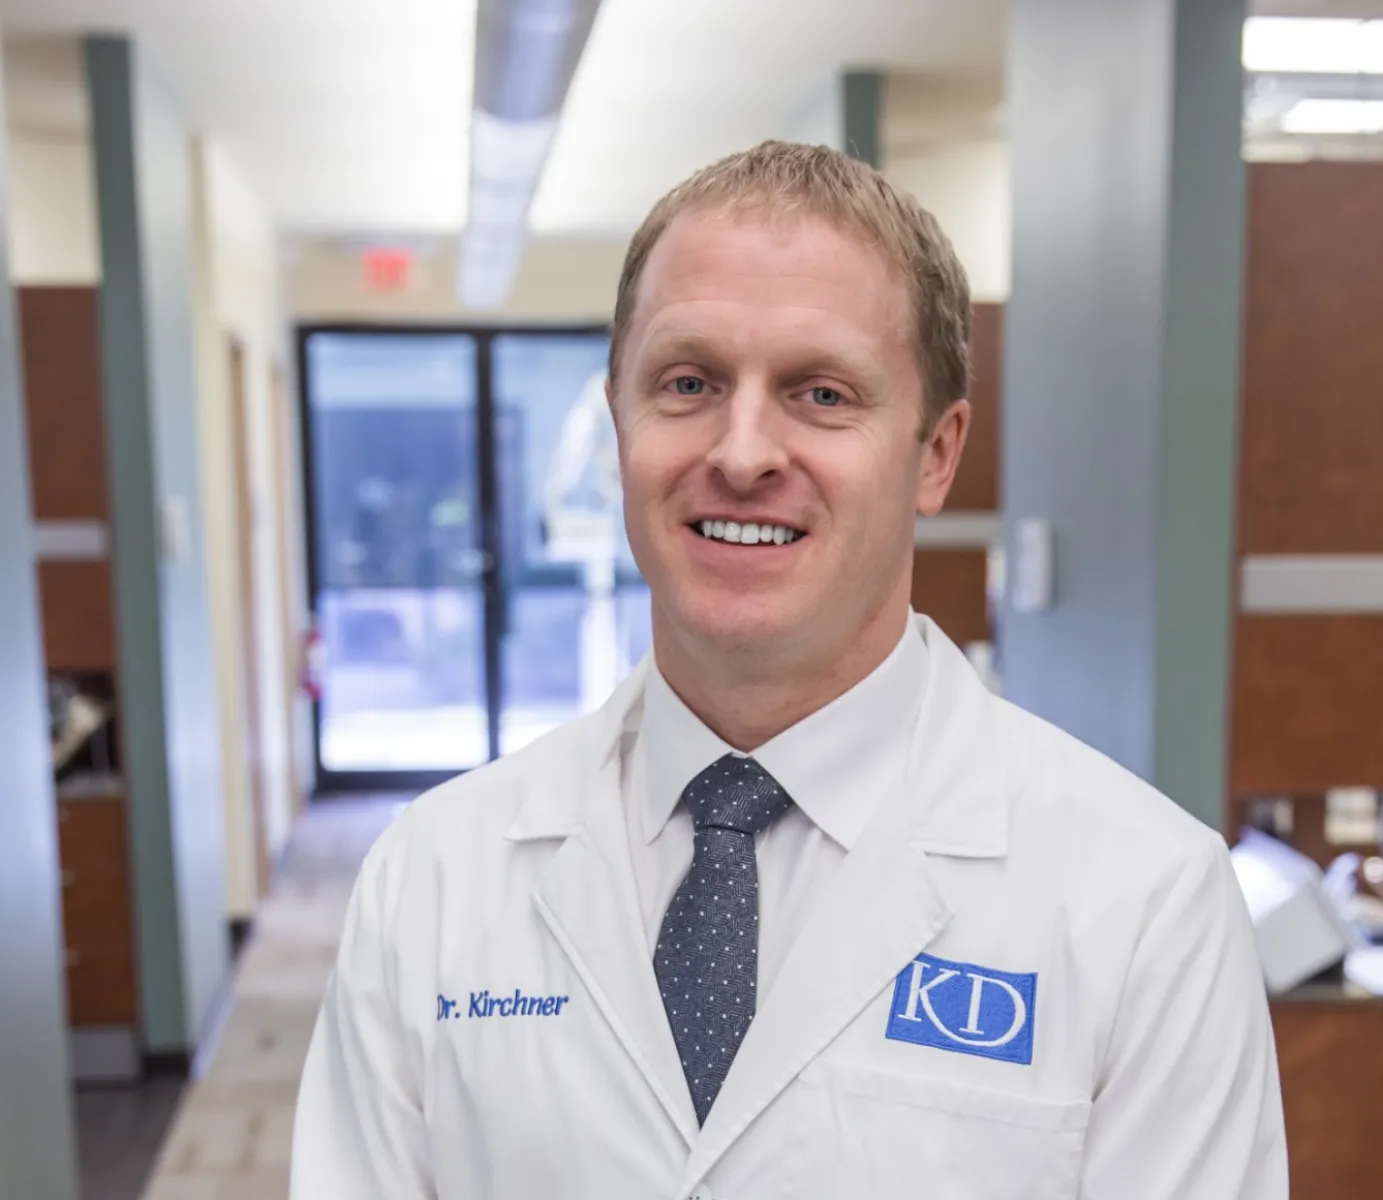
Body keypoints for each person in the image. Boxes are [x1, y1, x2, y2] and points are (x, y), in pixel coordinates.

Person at [291, 140, 1288, 1200]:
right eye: (687, 382)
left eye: (821, 393)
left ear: (935, 453)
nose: (743, 452)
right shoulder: (434, 876)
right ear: (620, 420)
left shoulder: (1143, 901)